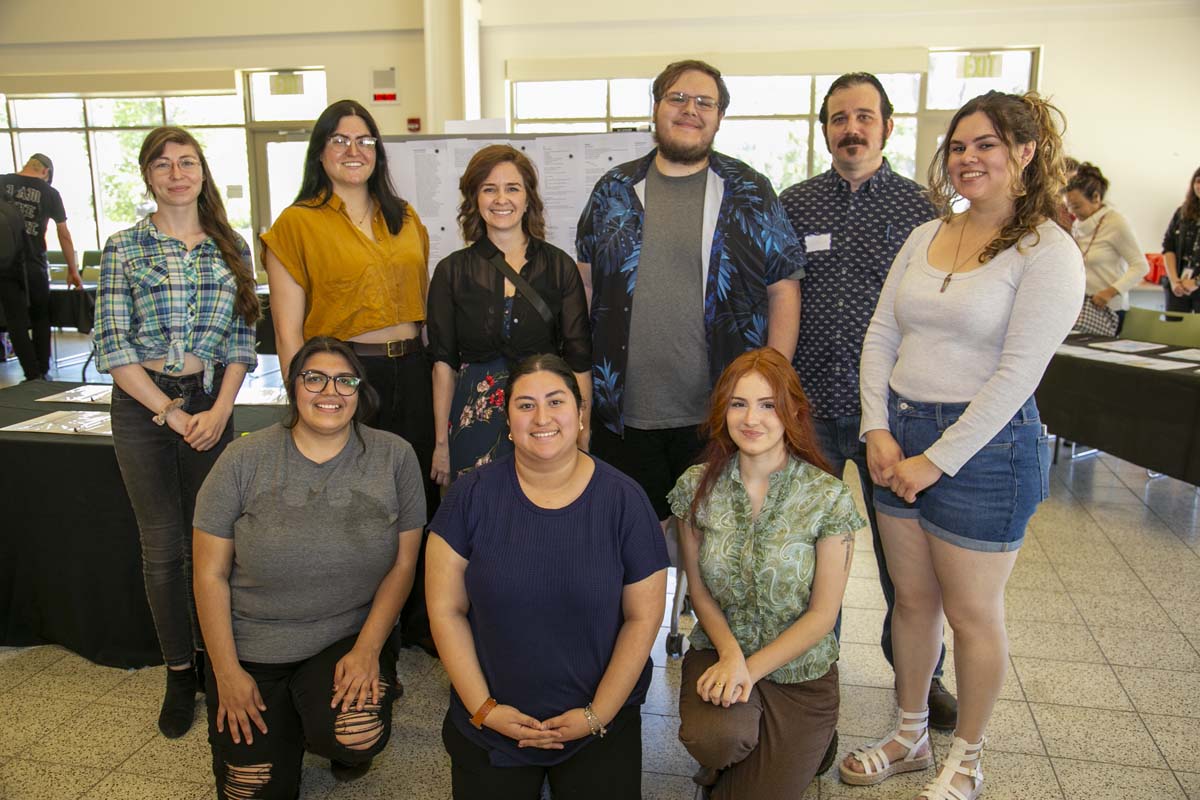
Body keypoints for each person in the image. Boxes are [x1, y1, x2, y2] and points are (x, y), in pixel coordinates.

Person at [841, 91, 1084, 800]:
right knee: (912, 604)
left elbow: (1016, 378)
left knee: (973, 614)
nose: (968, 158)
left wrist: (934, 459)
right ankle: (910, 733)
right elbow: (882, 332)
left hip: (987, 450)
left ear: (1026, 153)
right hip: (902, 432)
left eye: (986, 145)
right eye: (958, 146)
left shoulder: (1048, 252)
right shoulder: (926, 235)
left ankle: (968, 757)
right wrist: (877, 428)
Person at [778, 71, 956, 731]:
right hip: (808, 412)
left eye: (864, 117)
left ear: (887, 125)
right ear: (824, 128)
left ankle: (921, 677)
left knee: (903, 559)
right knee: (811, 551)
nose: (850, 129)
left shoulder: (923, 209)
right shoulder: (792, 204)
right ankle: (812, 668)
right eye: (838, 118)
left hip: (894, 415)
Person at [425, 353, 668, 800]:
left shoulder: (625, 502)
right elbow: (446, 609)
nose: (542, 417)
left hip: (599, 724)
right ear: (508, 420)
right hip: (492, 722)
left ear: (579, 415)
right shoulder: (469, 497)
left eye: (556, 402)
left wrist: (598, 714)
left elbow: (643, 618)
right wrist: (485, 708)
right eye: (525, 405)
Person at [193, 336, 425, 798]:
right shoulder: (243, 458)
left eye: (344, 381)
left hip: (345, 638)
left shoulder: (395, 456)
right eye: (314, 379)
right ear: (293, 386)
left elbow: (404, 564)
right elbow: (208, 574)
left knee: (355, 733)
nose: (330, 392)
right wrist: (226, 672)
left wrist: (367, 650)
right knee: (251, 790)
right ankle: (289, 726)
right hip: (253, 647)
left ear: (360, 391)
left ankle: (327, 731)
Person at [576, 58, 805, 523]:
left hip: (719, 418)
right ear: (656, 108)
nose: (690, 109)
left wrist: (772, 386)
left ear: (720, 116)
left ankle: (693, 602)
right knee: (630, 544)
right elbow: (583, 281)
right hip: (623, 414)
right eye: (677, 98)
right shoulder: (614, 190)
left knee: (711, 550)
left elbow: (784, 289)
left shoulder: (751, 191)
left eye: (705, 102)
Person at [92, 127, 260, 738]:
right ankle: (179, 671)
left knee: (216, 546)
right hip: (143, 409)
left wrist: (218, 408)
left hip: (212, 407)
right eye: (163, 164)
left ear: (202, 172)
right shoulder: (123, 247)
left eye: (187, 162)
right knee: (163, 549)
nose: (177, 172)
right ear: (148, 176)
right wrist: (169, 410)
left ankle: (223, 664)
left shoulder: (229, 244)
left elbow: (244, 339)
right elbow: (113, 345)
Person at [261, 98, 437, 650]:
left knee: (412, 496)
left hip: (412, 367)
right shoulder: (296, 224)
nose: (354, 150)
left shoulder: (404, 217)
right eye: (340, 140)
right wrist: (305, 398)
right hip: (345, 377)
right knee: (358, 502)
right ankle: (361, 628)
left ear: (378, 151)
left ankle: (417, 619)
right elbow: (290, 332)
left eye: (365, 140)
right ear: (321, 152)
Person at [669, 348, 864, 799]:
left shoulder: (828, 497)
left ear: (793, 410)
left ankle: (811, 746)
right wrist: (731, 657)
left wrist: (748, 670)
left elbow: (822, 615)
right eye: (739, 404)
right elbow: (698, 593)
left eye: (767, 404)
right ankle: (731, 754)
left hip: (800, 674)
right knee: (713, 739)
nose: (751, 418)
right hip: (721, 653)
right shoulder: (695, 487)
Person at [427, 144, 590, 484]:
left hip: (543, 420)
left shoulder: (559, 267)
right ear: (475, 198)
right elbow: (443, 364)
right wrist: (441, 443)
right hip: (474, 421)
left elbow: (579, 361)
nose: (501, 199)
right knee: (480, 521)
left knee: (545, 515)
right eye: (490, 189)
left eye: (512, 188)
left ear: (528, 197)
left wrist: (582, 435)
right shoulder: (451, 272)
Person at [0, 154, 83, 380]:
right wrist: (73, 270)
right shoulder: (49, 193)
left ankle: (31, 372)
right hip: (35, 263)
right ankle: (43, 370)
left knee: (15, 319)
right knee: (40, 317)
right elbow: (63, 234)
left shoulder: (1, 182)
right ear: (46, 172)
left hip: (4, 266)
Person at [1064, 162, 1150, 330]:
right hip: (1081, 305)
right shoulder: (1078, 224)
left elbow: (1141, 266)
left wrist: (1110, 292)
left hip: (1107, 308)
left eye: (1077, 206)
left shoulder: (1115, 222)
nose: (1072, 212)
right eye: (1069, 207)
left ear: (1096, 197)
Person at [1161, 165, 1200, 313]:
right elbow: (1168, 246)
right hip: (1177, 287)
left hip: (1195, 286)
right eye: (1198, 181)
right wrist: (1173, 280)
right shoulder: (1182, 212)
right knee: (1174, 333)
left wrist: (1196, 282)